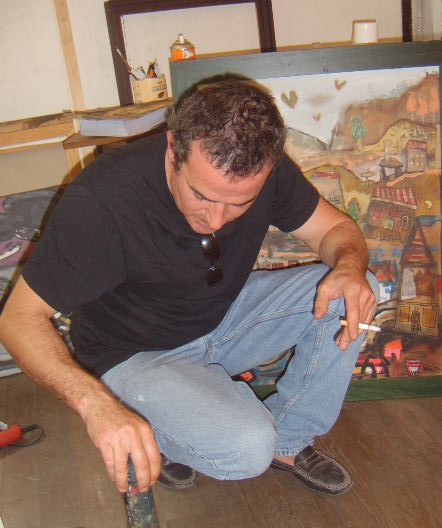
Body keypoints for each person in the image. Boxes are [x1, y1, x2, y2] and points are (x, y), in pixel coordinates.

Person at [0, 78, 378, 496]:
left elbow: (336, 231)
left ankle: (288, 441)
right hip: (133, 354)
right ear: (172, 149)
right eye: (201, 196)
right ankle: (146, 418)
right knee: (249, 448)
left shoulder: (266, 170)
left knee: (356, 290)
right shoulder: (103, 201)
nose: (216, 220)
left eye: (239, 204)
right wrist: (95, 405)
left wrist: (349, 264)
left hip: (221, 318)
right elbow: (17, 319)